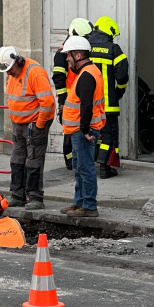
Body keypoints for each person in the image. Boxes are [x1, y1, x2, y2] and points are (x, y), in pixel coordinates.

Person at [0, 45, 55, 210]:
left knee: (33, 161)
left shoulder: (34, 72)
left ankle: (35, 197)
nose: (8, 73)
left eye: (9, 69)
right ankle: (17, 195)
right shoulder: (11, 73)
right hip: (19, 124)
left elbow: (48, 102)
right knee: (17, 160)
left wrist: (39, 124)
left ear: (17, 61)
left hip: (34, 123)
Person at [60, 35, 105, 217]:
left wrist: (85, 130)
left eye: (69, 55)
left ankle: (89, 206)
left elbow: (86, 106)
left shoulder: (86, 76)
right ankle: (80, 203)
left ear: (78, 55)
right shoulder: (89, 72)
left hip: (83, 130)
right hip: (79, 130)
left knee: (85, 168)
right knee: (79, 167)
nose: (67, 59)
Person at [88, 16, 129, 179]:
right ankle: (105, 168)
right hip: (107, 104)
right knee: (108, 135)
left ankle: (92, 165)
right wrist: (119, 92)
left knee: (92, 134)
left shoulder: (85, 48)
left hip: (87, 104)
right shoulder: (114, 49)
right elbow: (122, 77)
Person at [53, 18, 95, 170]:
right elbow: (58, 79)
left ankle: (79, 161)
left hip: (80, 97)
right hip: (70, 101)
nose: (88, 40)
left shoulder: (81, 50)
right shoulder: (62, 54)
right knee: (69, 133)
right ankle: (70, 162)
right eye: (86, 37)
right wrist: (63, 102)